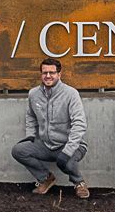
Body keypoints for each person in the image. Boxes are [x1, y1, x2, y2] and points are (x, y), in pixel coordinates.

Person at [11, 58, 90, 198]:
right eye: (44, 73)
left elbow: (80, 124)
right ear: (41, 74)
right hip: (47, 145)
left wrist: (68, 151)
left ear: (59, 74)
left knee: (68, 163)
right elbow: (30, 116)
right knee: (18, 150)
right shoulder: (33, 94)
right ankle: (46, 179)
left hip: (71, 145)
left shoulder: (71, 94)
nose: (48, 76)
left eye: (52, 73)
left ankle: (79, 183)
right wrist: (30, 136)